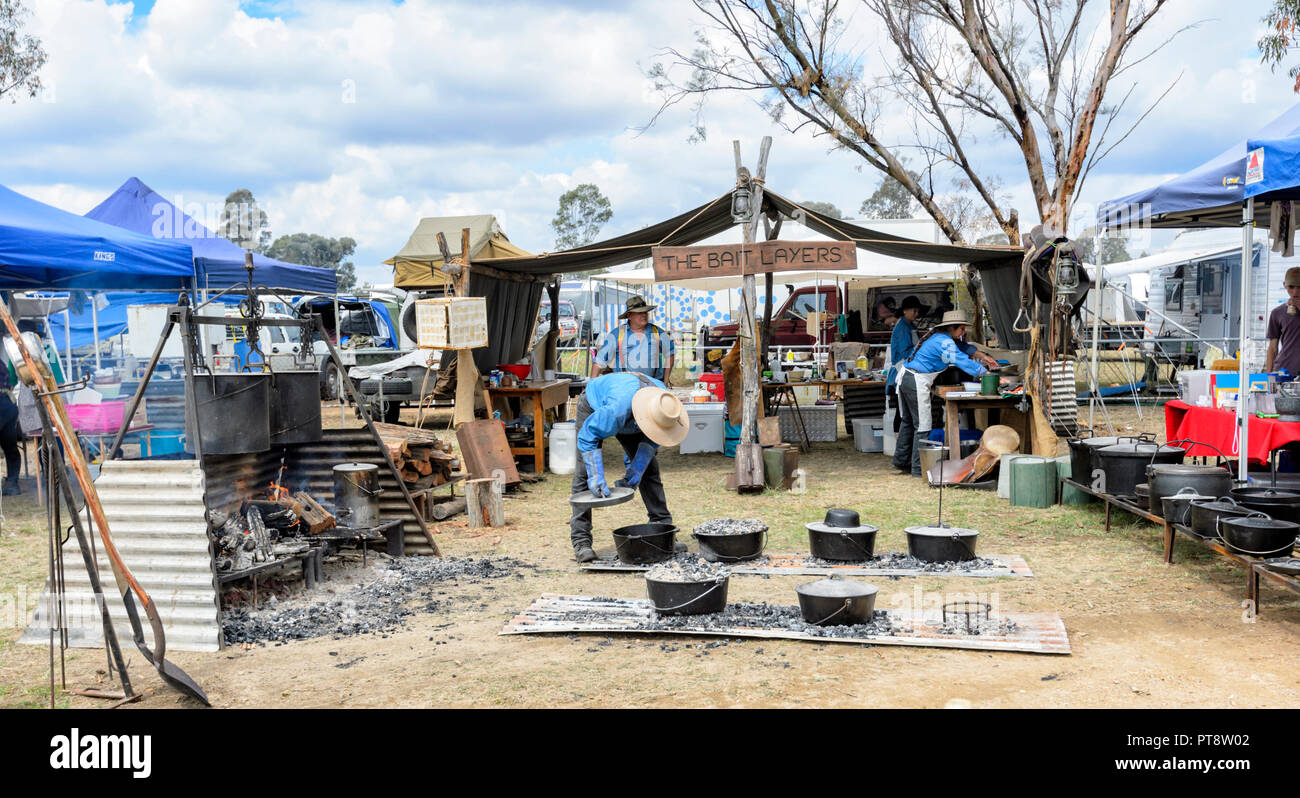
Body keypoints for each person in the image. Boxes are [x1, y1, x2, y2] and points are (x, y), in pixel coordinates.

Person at [568, 372, 690, 563]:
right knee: (583, 474)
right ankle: (581, 542)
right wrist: (596, 473)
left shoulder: (665, 407)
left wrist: (636, 469)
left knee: (649, 470)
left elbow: (653, 440)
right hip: (595, 405)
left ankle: (663, 531)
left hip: (635, 410)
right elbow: (587, 436)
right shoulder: (616, 411)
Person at [895, 310, 999, 477]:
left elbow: (962, 347)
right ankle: (916, 468)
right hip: (916, 380)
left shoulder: (940, 336)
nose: (964, 332)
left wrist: (981, 355)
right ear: (952, 327)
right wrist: (985, 373)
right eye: (962, 329)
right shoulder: (943, 341)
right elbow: (960, 359)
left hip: (907, 377)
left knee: (908, 422)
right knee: (922, 425)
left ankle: (901, 461)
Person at [592, 296, 676, 383]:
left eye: (645, 312)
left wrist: (665, 382)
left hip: (653, 386)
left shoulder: (657, 332)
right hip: (625, 387)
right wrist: (591, 386)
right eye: (639, 313)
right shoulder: (617, 334)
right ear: (629, 316)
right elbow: (599, 361)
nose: (644, 315)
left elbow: (670, 353)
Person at [887, 296, 925, 470]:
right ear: (905, 310)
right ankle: (911, 463)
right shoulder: (902, 327)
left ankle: (901, 460)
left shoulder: (910, 326)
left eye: (918, 311)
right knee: (912, 420)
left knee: (907, 420)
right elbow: (906, 352)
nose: (916, 314)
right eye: (914, 311)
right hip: (905, 373)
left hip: (909, 372)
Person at [1265, 267, 1300, 375]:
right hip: (1285, 371)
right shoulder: (1278, 313)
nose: (1295, 292)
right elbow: (1272, 348)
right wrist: (1269, 376)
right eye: (1291, 287)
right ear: (1285, 285)